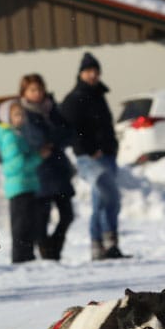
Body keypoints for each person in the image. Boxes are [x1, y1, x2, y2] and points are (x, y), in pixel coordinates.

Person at [60, 52, 126, 260]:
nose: (92, 75)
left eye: (95, 71)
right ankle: (106, 241)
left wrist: (112, 146)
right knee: (110, 196)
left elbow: (106, 125)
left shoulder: (99, 95)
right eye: (88, 71)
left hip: (107, 155)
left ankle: (102, 246)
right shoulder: (74, 98)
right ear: (81, 74)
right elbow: (71, 129)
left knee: (102, 201)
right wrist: (89, 149)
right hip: (89, 158)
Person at [19, 73, 75, 261]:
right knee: (42, 218)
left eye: (40, 89)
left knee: (67, 215)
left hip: (59, 168)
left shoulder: (53, 109)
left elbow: (68, 133)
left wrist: (52, 139)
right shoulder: (24, 113)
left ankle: (54, 247)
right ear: (24, 92)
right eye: (33, 90)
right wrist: (52, 137)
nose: (37, 93)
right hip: (39, 172)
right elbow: (36, 139)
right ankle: (45, 251)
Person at [0, 98, 41, 263]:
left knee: (29, 223)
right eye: (17, 114)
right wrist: (37, 157)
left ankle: (27, 255)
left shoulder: (18, 134)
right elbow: (16, 163)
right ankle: (20, 257)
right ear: (7, 117)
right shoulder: (9, 137)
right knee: (21, 225)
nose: (21, 118)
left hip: (27, 184)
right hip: (18, 186)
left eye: (22, 114)